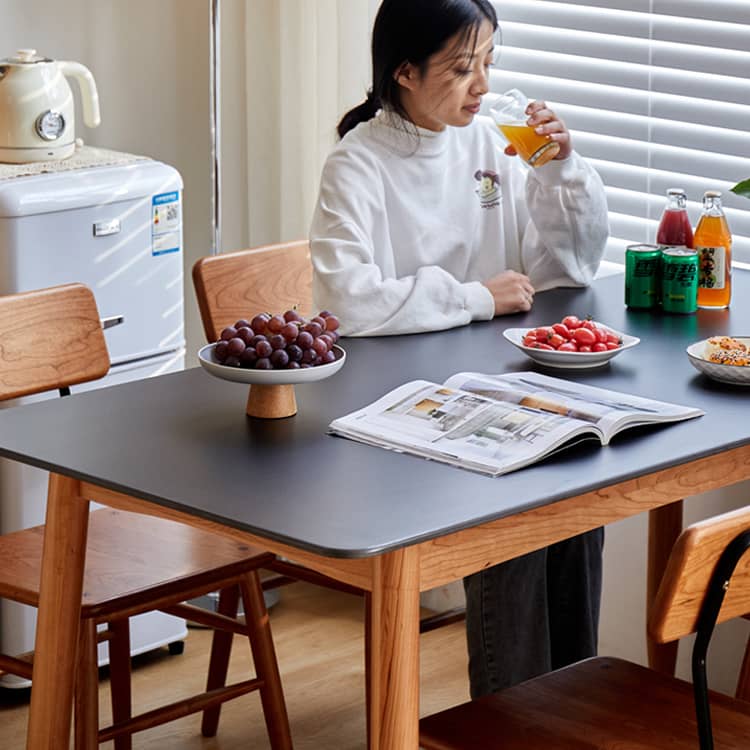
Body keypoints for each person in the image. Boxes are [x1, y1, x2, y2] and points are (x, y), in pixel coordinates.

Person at [310, 0, 607, 699]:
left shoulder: (489, 145)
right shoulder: (358, 165)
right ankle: (512, 723)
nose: (483, 85)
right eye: (463, 67)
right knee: (513, 511)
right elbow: (348, 302)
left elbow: (566, 274)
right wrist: (477, 297)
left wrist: (562, 172)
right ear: (405, 72)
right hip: (389, 406)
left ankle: (571, 712)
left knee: (576, 501)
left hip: (485, 389)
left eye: (490, 64)